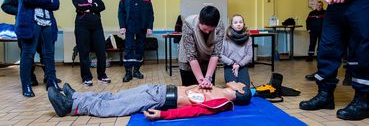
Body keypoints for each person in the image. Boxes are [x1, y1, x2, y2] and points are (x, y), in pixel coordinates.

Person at [47, 81, 251, 119]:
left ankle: (71, 106)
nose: (235, 80)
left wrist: (163, 115)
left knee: (115, 106)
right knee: (116, 96)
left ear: (240, 91)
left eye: (239, 83)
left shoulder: (222, 102)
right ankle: (77, 96)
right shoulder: (218, 88)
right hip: (160, 89)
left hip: (161, 98)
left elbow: (194, 111)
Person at [15, 0, 62, 97]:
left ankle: (51, 81)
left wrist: (40, 0)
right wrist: (47, 0)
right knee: (28, 54)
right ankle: (26, 85)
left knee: (49, 54)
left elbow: (56, 5)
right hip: (31, 23)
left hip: (48, 23)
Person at [2, 0, 62, 86]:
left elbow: (54, 5)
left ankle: (49, 77)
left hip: (45, 26)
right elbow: (5, 6)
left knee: (46, 53)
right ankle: (30, 78)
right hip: (26, 27)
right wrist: (22, 11)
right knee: (28, 54)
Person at [71, 0, 110, 86]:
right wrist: (94, 7)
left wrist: (88, 9)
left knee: (101, 52)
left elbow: (102, 6)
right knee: (84, 53)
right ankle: (86, 77)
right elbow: (79, 6)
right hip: (82, 26)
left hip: (97, 27)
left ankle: (102, 75)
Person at [118, 0, 154, 82]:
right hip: (129, 27)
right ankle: (128, 72)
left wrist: (149, 27)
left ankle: (137, 71)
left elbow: (150, 13)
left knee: (140, 48)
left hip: (142, 27)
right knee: (128, 48)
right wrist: (122, 26)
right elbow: (121, 12)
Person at [178, 6, 224, 89]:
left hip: (208, 61)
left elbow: (215, 54)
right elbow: (191, 56)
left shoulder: (219, 25)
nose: (207, 32)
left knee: (208, 90)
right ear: (199, 20)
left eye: (211, 30)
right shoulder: (188, 23)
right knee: (190, 91)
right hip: (188, 62)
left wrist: (207, 79)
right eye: (204, 29)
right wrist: (201, 80)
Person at [220, 14, 252, 87]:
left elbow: (249, 55)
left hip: (242, 65)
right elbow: (220, 55)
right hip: (229, 66)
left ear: (243, 24)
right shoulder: (225, 37)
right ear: (231, 25)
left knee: (245, 89)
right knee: (233, 88)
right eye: (235, 22)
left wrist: (239, 64)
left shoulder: (248, 38)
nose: (238, 24)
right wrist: (232, 63)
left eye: (240, 22)